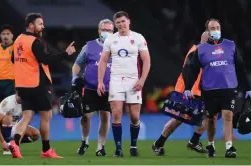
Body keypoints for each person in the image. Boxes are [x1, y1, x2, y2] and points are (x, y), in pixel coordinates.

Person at [9, 13, 76, 159]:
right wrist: (65, 53)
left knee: (27, 116)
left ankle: (14, 143)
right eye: (40, 24)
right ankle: (46, 150)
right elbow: (45, 59)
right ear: (31, 25)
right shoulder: (35, 41)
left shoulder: (18, 40)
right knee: (46, 115)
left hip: (22, 84)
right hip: (38, 83)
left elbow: (14, 60)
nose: (43, 26)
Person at [182, 18, 251, 158]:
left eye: (217, 27)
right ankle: (211, 144)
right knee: (211, 119)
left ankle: (229, 147)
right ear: (208, 31)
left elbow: (240, 66)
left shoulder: (230, 45)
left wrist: (247, 86)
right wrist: (188, 87)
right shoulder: (201, 49)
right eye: (212, 28)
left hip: (228, 87)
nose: (216, 30)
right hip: (209, 89)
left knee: (228, 116)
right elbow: (193, 69)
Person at [97, 11, 151, 157]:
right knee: (116, 113)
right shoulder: (110, 40)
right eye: (118, 23)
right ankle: (118, 148)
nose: (121, 24)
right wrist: (100, 81)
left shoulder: (138, 38)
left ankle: (133, 146)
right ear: (115, 25)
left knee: (134, 116)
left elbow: (146, 60)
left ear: (128, 21)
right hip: (116, 80)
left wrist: (142, 80)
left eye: (123, 21)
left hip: (133, 80)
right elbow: (103, 61)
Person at [152, 31, 210, 156]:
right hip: (189, 91)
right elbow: (187, 69)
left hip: (200, 90)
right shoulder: (196, 50)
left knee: (210, 115)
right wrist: (187, 89)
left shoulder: (206, 52)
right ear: (204, 39)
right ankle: (159, 143)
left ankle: (193, 140)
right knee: (178, 119)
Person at [72, 19, 114, 156]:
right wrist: (74, 78)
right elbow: (77, 64)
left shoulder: (117, 47)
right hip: (90, 87)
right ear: (98, 30)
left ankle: (100, 147)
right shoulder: (89, 46)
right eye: (104, 30)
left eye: (109, 30)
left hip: (110, 88)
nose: (106, 32)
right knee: (85, 116)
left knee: (105, 116)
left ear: (113, 32)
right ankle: (85, 141)